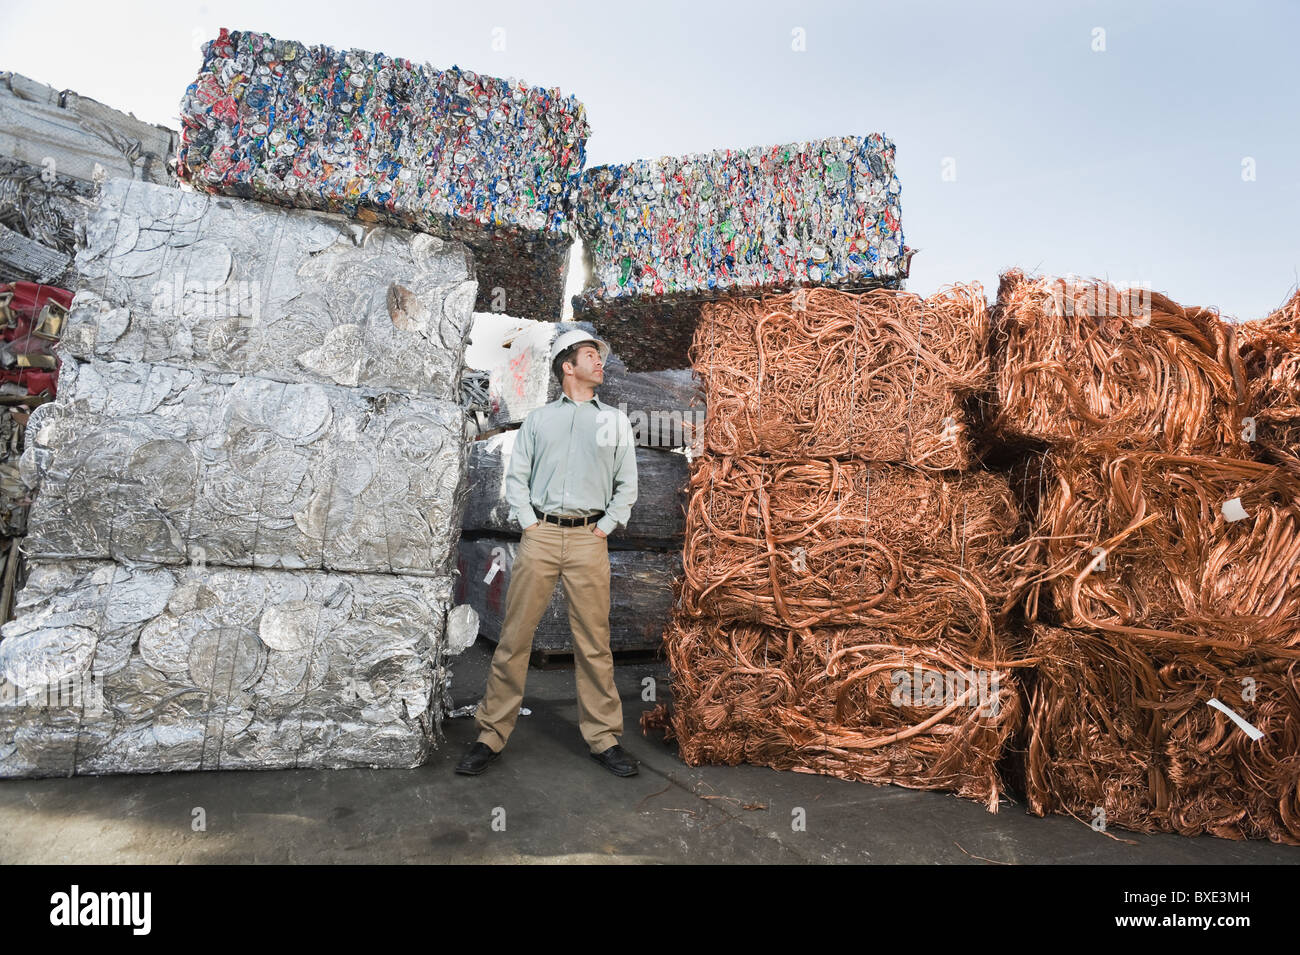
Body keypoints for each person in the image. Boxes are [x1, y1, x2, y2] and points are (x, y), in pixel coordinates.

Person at [455, 330, 640, 777]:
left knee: (594, 643)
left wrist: (606, 527)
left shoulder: (614, 422)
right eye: (592, 356)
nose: (600, 364)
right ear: (567, 366)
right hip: (540, 538)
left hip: (587, 540)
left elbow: (627, 485)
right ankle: (490, 735)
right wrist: (528, 521)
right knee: (515, 638)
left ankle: (603, 738)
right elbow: (516, 478)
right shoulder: (538, 421)